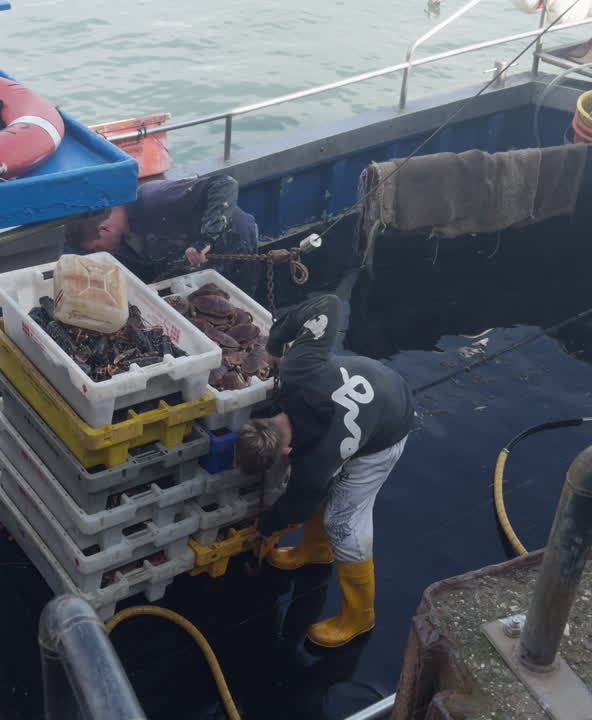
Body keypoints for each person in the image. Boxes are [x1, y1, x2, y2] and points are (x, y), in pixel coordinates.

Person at [236, 293, 415, 648]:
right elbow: (328, 305)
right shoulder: (296, 367)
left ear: (286, 450)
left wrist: (268, 529)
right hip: (372, 381)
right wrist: (276, 345)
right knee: (323, 494)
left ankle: (359, 616)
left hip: (387, 428)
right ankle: (315, 551)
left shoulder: (316, 462)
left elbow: (301, 502)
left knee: (343, 522)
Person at [63, 174, 261, 294]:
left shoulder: (154, 197)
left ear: (104, 228)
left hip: (233, 242)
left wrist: (207, 238)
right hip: (188, 259)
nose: (102, 252)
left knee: (238, 304)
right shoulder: (122, 244)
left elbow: (225, 183)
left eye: (98, 247)